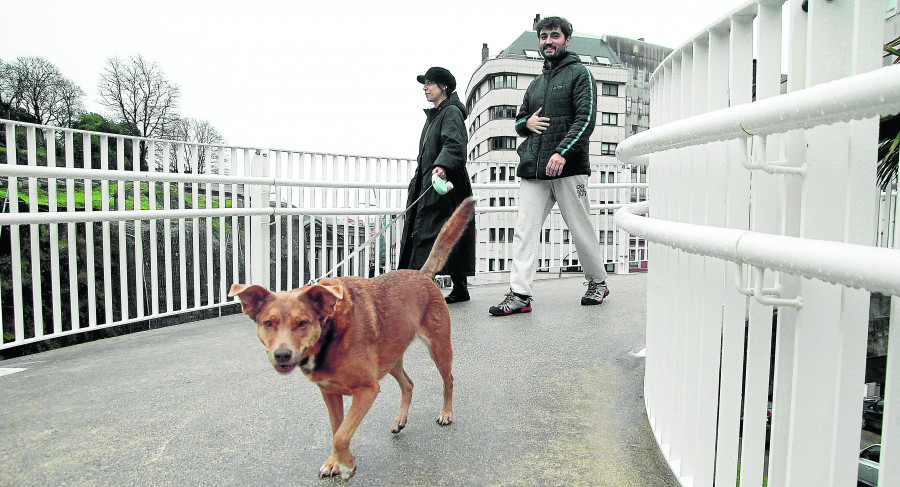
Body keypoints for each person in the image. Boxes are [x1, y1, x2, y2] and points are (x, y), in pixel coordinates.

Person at [489, 16, 609, 316]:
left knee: (580, 229)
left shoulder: (581, 74)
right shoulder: (536, 84)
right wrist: (525, 123)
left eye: (554, 36)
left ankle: (598, 282)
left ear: (567, 40)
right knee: (524, 230)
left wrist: (562, 153)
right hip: (534, 169)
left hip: (568, 167)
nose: (548, 41)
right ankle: (520, 295)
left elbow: (586, 119)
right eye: (543, 36)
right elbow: (519, 122)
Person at [398, 66, 475, 303]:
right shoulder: (436, 115)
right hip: (433, 183)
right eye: (424, 83)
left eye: (430, 83)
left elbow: (454, 144)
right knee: (447, 234)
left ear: (444, 87)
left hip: (443, 184)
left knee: (429, 235)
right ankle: (459, 288)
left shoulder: (450, 112)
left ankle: (421, 291)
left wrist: (442, 166)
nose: (425, 87)